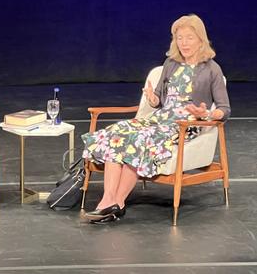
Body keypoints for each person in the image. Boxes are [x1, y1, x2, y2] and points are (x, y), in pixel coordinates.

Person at [81, 14, 230, 224]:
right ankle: (109, 201)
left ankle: (117, 202)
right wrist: (152, 98)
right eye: (179, 38)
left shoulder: (212, 69)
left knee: (139, 141)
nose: (184, 43)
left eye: (189, 37)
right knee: (115, 133)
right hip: (160, 119)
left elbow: (224, 109)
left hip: (184, 125)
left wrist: (205, 113)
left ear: (200, 39)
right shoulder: (171, 63)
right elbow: (159, 99)